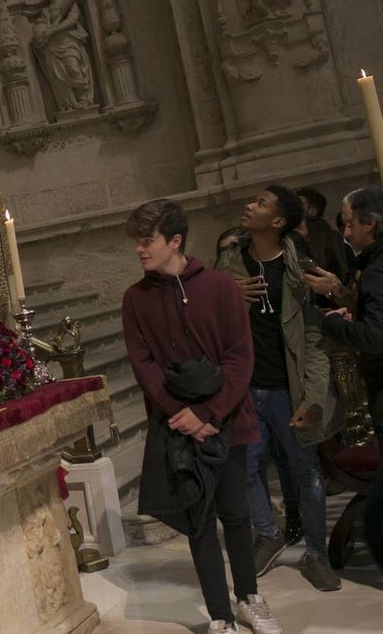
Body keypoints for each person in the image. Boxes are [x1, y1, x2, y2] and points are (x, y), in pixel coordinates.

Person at [122, 199, 282, 634]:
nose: (139, 249)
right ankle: (220, 617)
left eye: (147, 240)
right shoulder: (135, 299)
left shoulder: (221, 287)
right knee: (200, 522)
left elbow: (239, 358)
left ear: (175, 241)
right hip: (178, 428)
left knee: (235, 513)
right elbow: (145, 366)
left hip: (227, 418)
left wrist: (210, 412)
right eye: (137, 241)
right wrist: (183, 414)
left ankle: (249, 597)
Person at [216, 186, 342, 591]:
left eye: (260, 203)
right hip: (246, 389)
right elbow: (204, 316)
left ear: (278, 222)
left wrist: (313, 399)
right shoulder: (230, 261)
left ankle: (316, 553)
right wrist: (228, 295)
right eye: (251, 199)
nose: (248, 205)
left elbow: (314, 340)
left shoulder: (298, 268)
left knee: (307, 471)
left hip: (288, 388)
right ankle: (268, 534)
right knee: (247, 468)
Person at [317, 185, 383, 440]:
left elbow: (375, 335)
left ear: (368, 223)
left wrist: (334, 323)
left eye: (349, 223)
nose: (345, 232)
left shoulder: (376, 270)